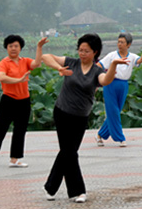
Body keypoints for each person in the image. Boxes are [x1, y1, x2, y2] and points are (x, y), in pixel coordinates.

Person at [41, 33, 127, 203]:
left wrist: (114, 65)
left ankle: (50, 187)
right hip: (62, 112)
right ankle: (78, 191)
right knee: (70, 152)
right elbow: (46, 56)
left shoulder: (97, 71)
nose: (82, 53)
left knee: (68, 152)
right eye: (80, 50)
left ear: (95, 52)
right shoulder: (71, 62)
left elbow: (106, 80)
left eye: (86, 51)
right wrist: (58, 68)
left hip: (80, 116)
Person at [0, 35, 47, 168]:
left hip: (24, 100)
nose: (13, 48)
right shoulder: (4, 63)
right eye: (10, 46)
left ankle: (14, 159)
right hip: (9, 99)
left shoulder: (25, 61)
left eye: (16, 46)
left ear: (20, 48)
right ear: (6, 48)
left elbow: (37, 63)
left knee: (20, 129)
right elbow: (1, 77)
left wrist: (39, 47)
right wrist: (18, 80)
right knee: (2, 127)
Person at [95, 32, 142, 147]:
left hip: (123, 85)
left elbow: (140, 61)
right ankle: (120, 138)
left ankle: (100, 135)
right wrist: (103, 75)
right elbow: (99, 66)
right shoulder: (112, 55)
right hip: (110, 84)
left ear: (128, 44)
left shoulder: (132, 56)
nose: (119, 44)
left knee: (116, 111)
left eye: (122, 42)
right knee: (113, 111)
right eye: (118, 42)